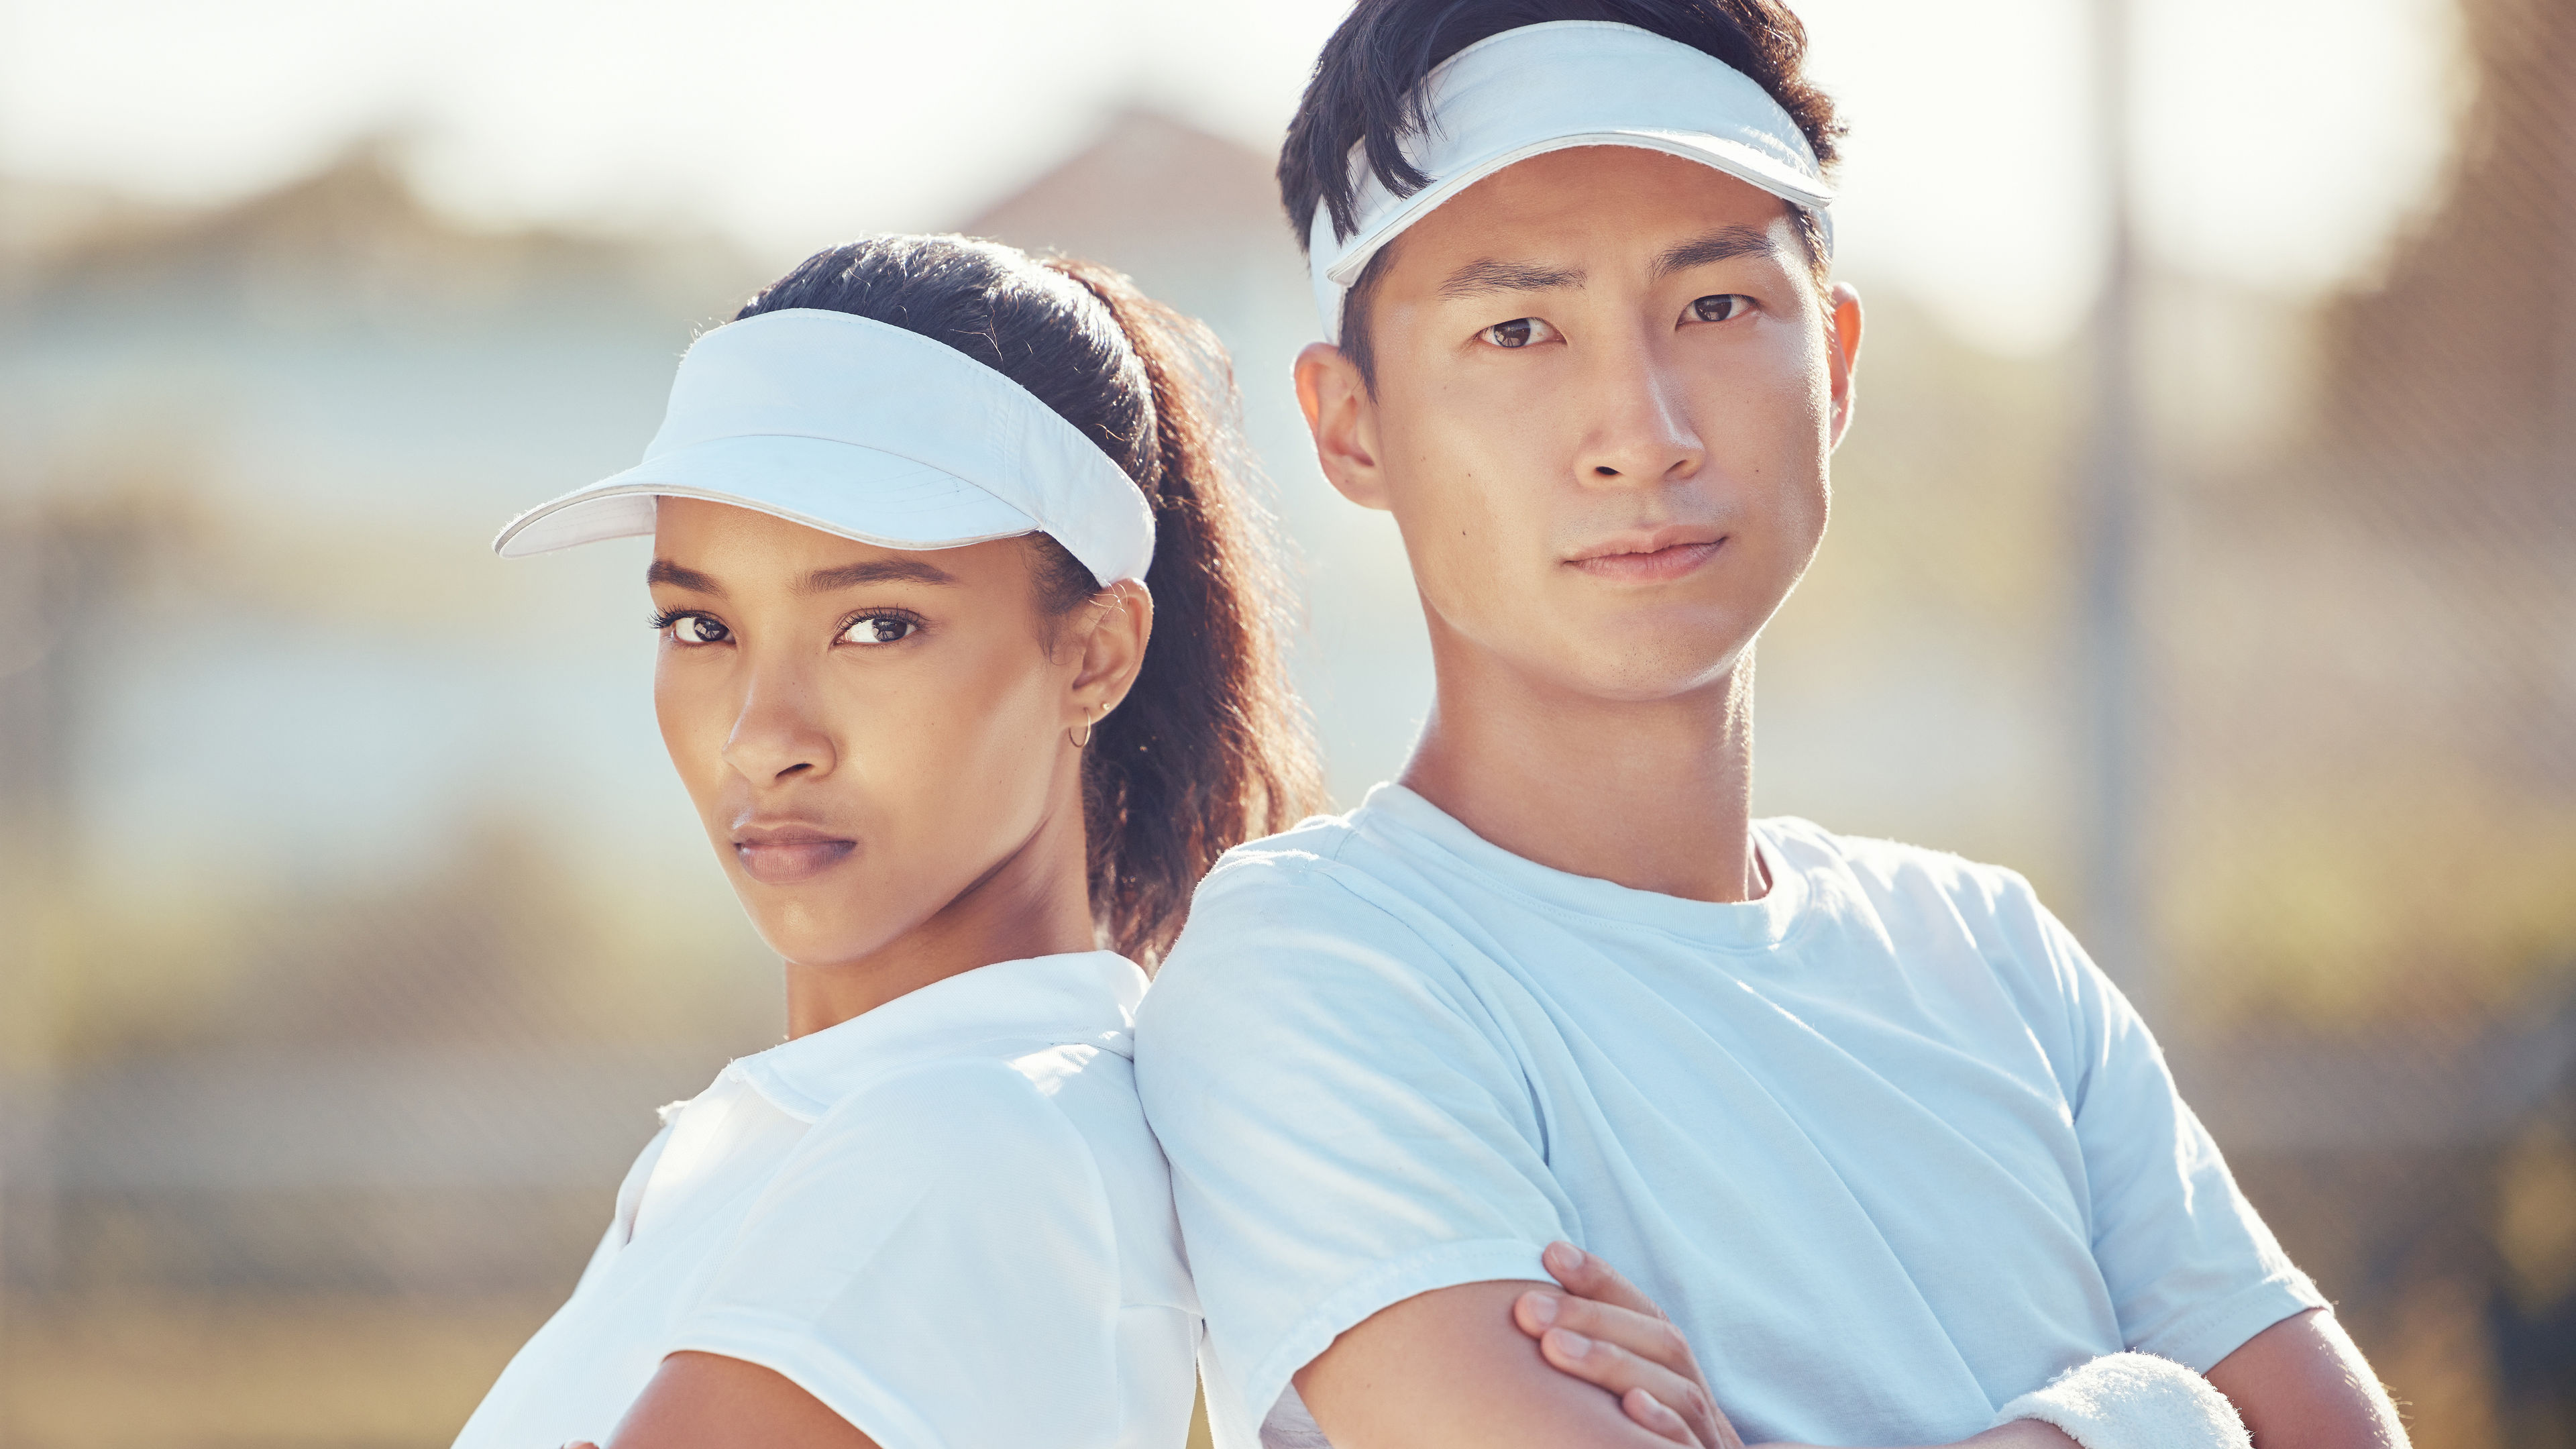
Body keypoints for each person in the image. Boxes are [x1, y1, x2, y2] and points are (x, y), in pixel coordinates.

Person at [1130, 5, 2412, 1448]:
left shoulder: (1992, 962)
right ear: (1351, 427)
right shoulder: (1319, 973)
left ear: (1838, 362)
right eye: (1518, 329)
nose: (1643, 426)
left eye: (1718, 307)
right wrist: (2147, 1418)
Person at [451, 234, 1322, 1449]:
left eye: (876, 625)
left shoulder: (962, 1144)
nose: (764, 739)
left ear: (1095, 654)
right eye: (700, 627)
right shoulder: (807, 1140)